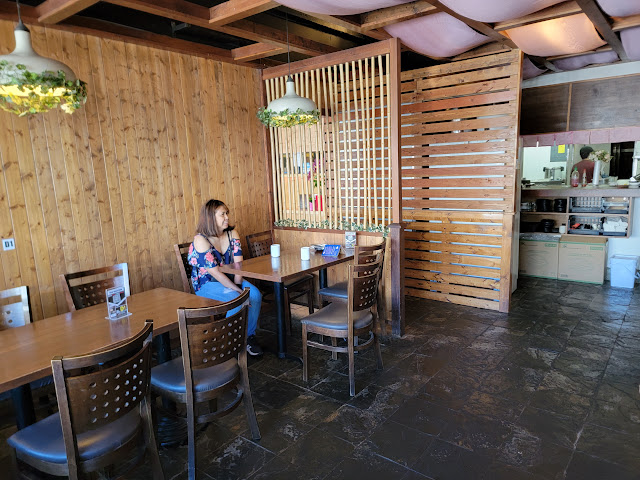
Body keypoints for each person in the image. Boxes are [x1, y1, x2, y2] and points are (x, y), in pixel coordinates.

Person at [188, 199, 263, 356]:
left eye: (227, 213)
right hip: (207, 283)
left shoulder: (232, 233)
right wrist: (239, 293)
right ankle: (228, 342)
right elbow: (215, 272)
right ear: (210, 217)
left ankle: (248, 337)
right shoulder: (200, 240)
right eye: (222, 214)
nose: (227, 217)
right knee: (236, 299)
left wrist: (239, 287)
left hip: (231, 277)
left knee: (255, 294)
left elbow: (238, 265)